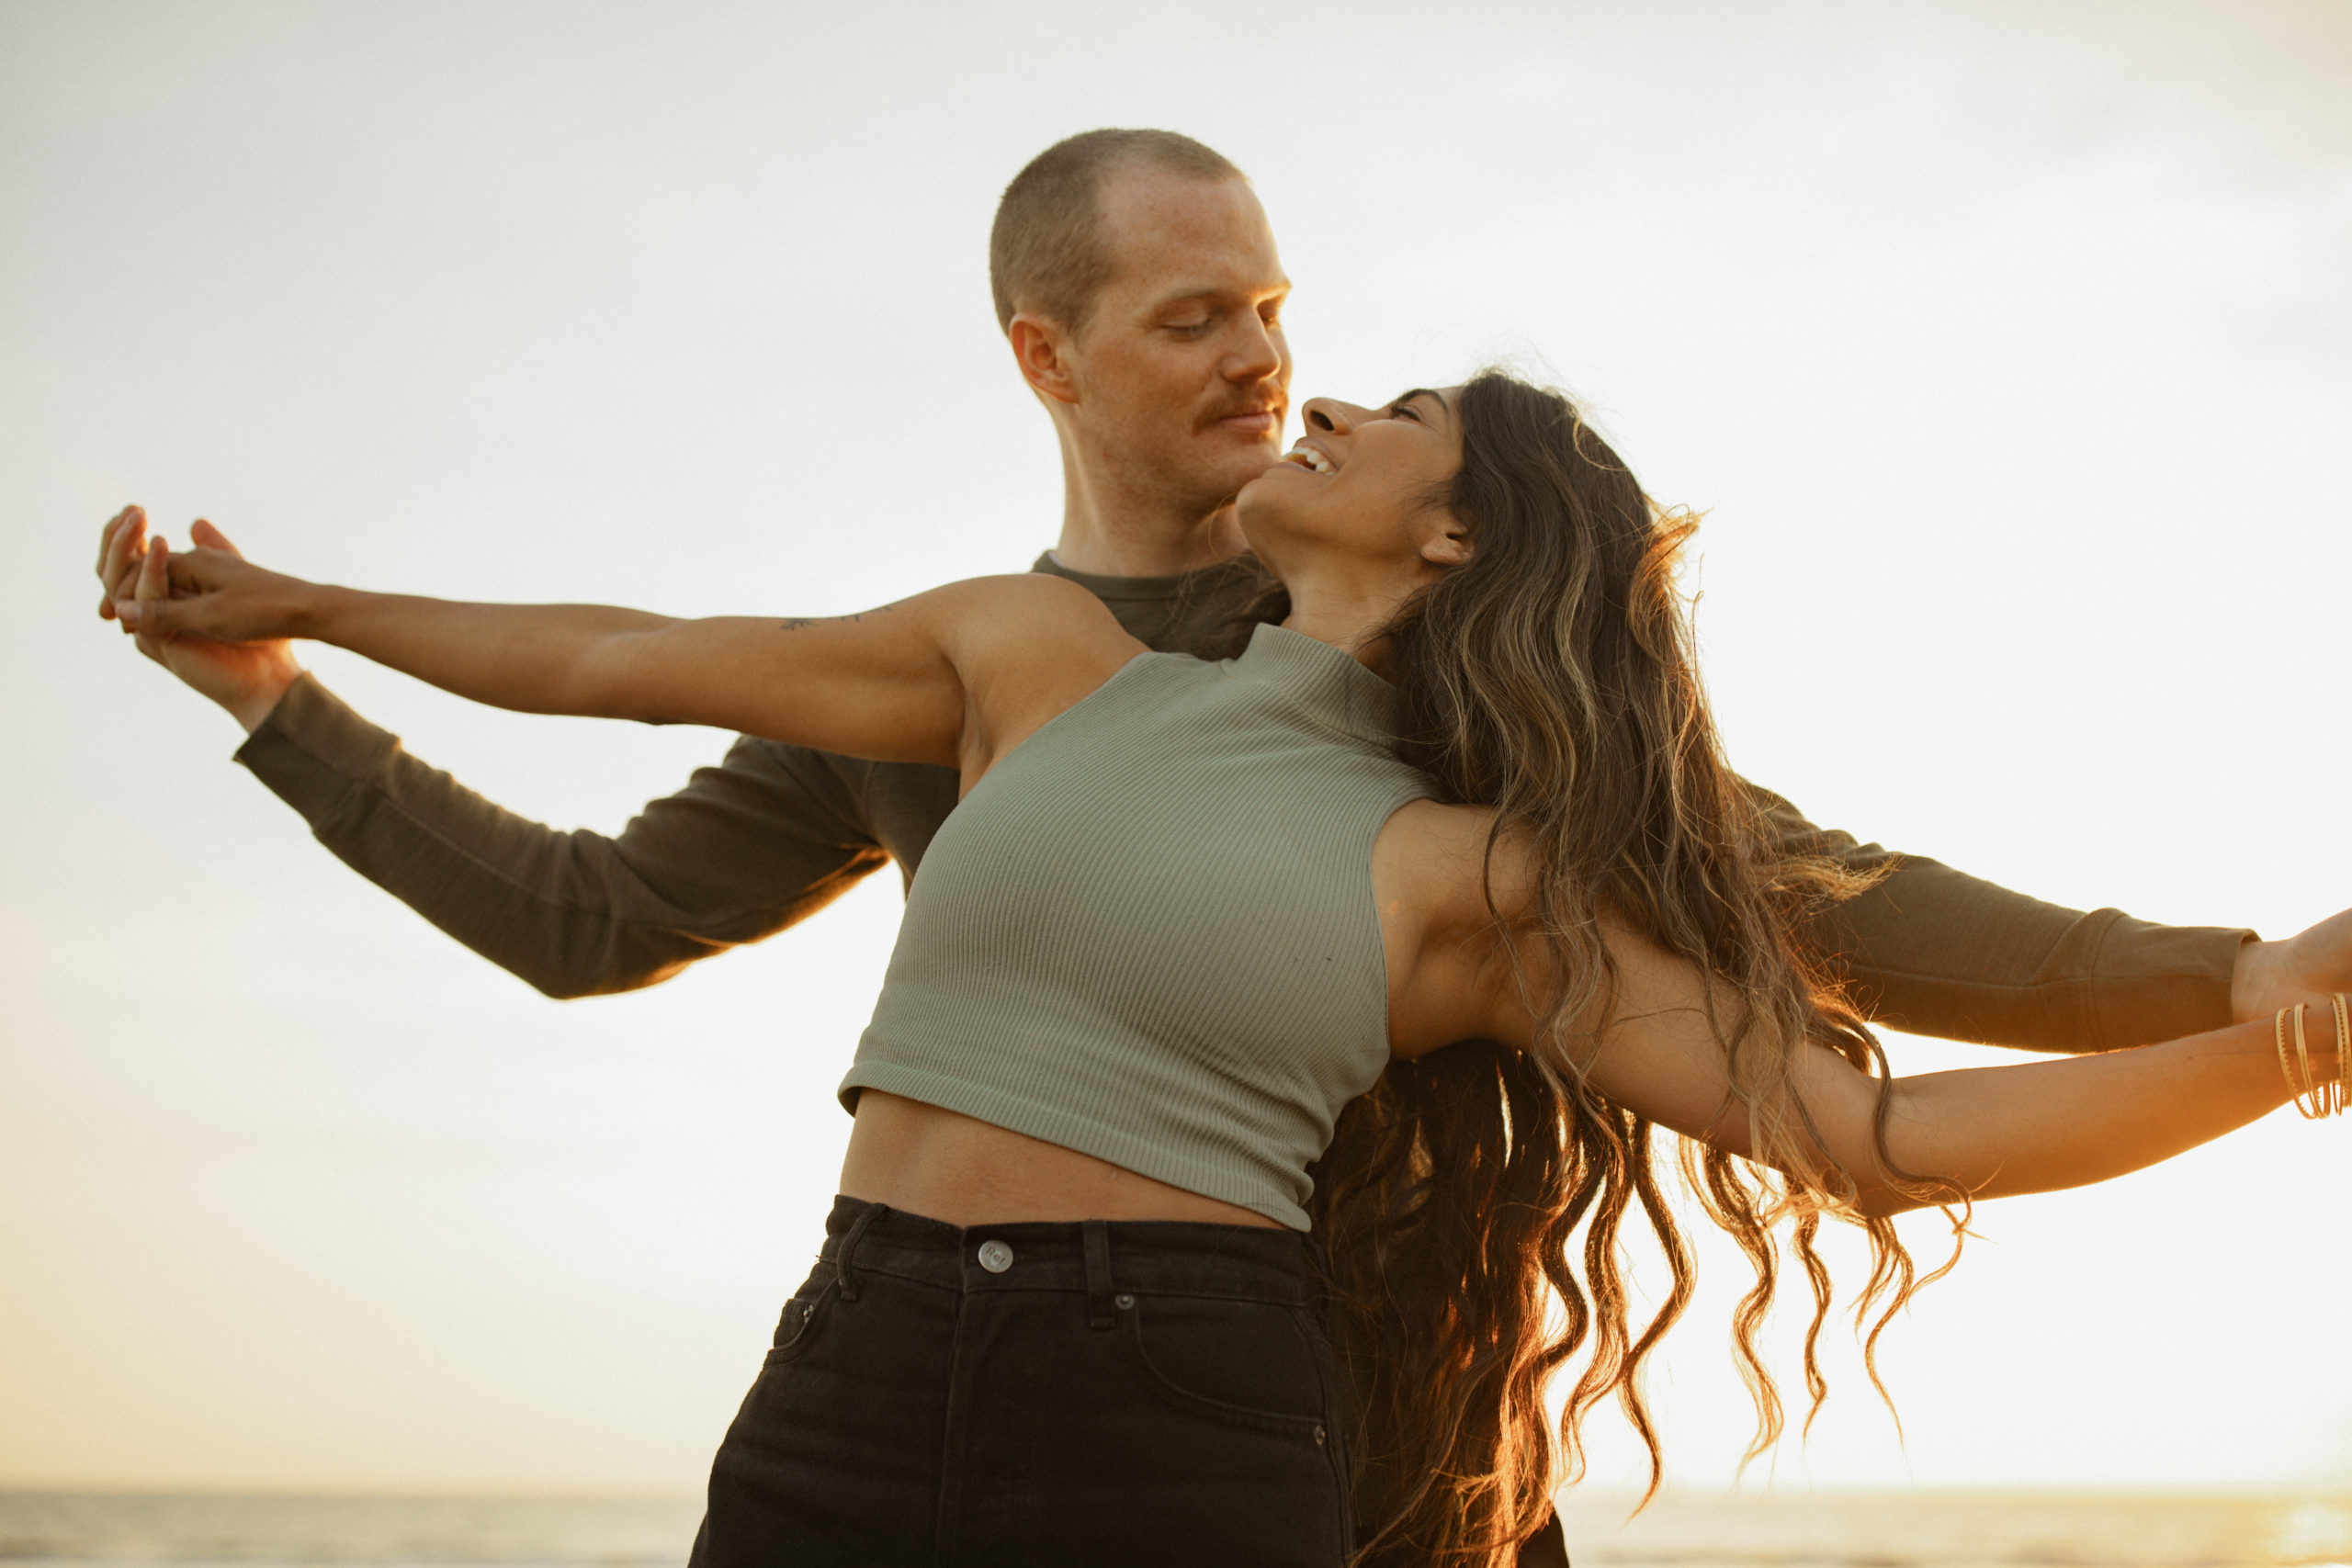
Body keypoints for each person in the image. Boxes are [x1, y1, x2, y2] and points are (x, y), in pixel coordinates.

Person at [94, 130, 2352, 1562]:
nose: (1274, 366)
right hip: (885, 1364)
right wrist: (285, 688)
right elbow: (592, 878)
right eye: (1200, 320)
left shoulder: (1472, 748)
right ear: (1043, 354)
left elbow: (1820, 915)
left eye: (1281, 313)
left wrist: (2235, 985)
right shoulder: (975, 665)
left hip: (1359, 1440)